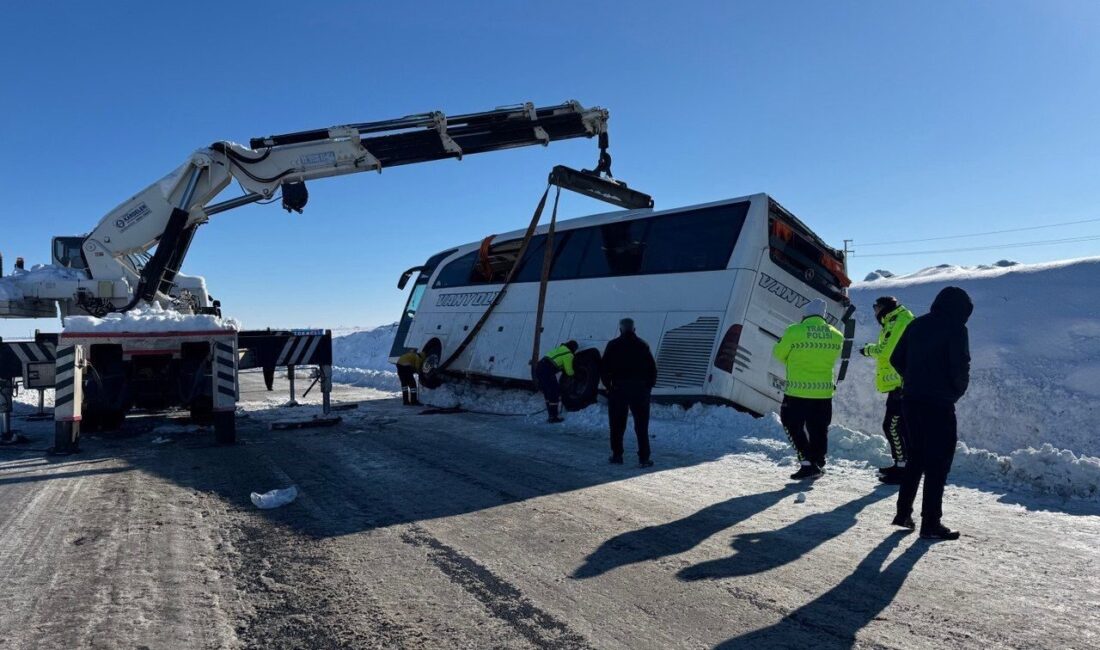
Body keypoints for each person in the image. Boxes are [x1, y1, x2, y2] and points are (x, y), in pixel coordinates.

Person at [890, 286, 972, 541]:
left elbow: (896, 358)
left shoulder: (917, 325)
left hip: (911, 401)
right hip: (938, 405)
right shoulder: (956, 329)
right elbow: (960, 366)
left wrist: (913, 380)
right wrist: (953, 392)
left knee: (916, 457)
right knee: (938, 465)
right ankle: (931, 524)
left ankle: (903, 513)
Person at [773, 298, 845, 480]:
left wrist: (794, 361)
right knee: (819, 429)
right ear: (823, 316)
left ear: (805, 314)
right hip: (823, 392)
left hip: (797, 391)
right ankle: (818, 462)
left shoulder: (794, 331)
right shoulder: (837, 335)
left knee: (791, 424)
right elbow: (833, 358)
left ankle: (807, 462)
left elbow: (778, 353)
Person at [860, 296, 915, 485]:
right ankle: (903, 465)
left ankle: (903, 467)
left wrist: (868, 350)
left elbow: (886, 350)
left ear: (885, 308)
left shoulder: (898, 321)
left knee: (891, 426)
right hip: (901, 383)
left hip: (901, 383)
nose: (875, 311)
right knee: (900, 426)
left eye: (876, 307)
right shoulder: (896, 320)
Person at [601, 318, 658, 467]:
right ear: (634, 329)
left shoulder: (613, 345)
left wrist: (608, 386)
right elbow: (652, 369)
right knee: (641, 425)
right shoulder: (643, 345)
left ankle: (617, 455)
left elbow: (604, 369)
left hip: (618, 389)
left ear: (620, 330)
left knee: (617, 424)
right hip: (640, 390)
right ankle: (644, 458)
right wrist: (648, 386)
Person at [536, 340, 578, 423]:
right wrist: (575, 374)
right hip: (547, 370)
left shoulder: (560, 349)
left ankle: (551, 415)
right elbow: (569, 371)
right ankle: (553, 417)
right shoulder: (568, 354)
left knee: (548, 391)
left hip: (539, 367)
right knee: (554, 391)